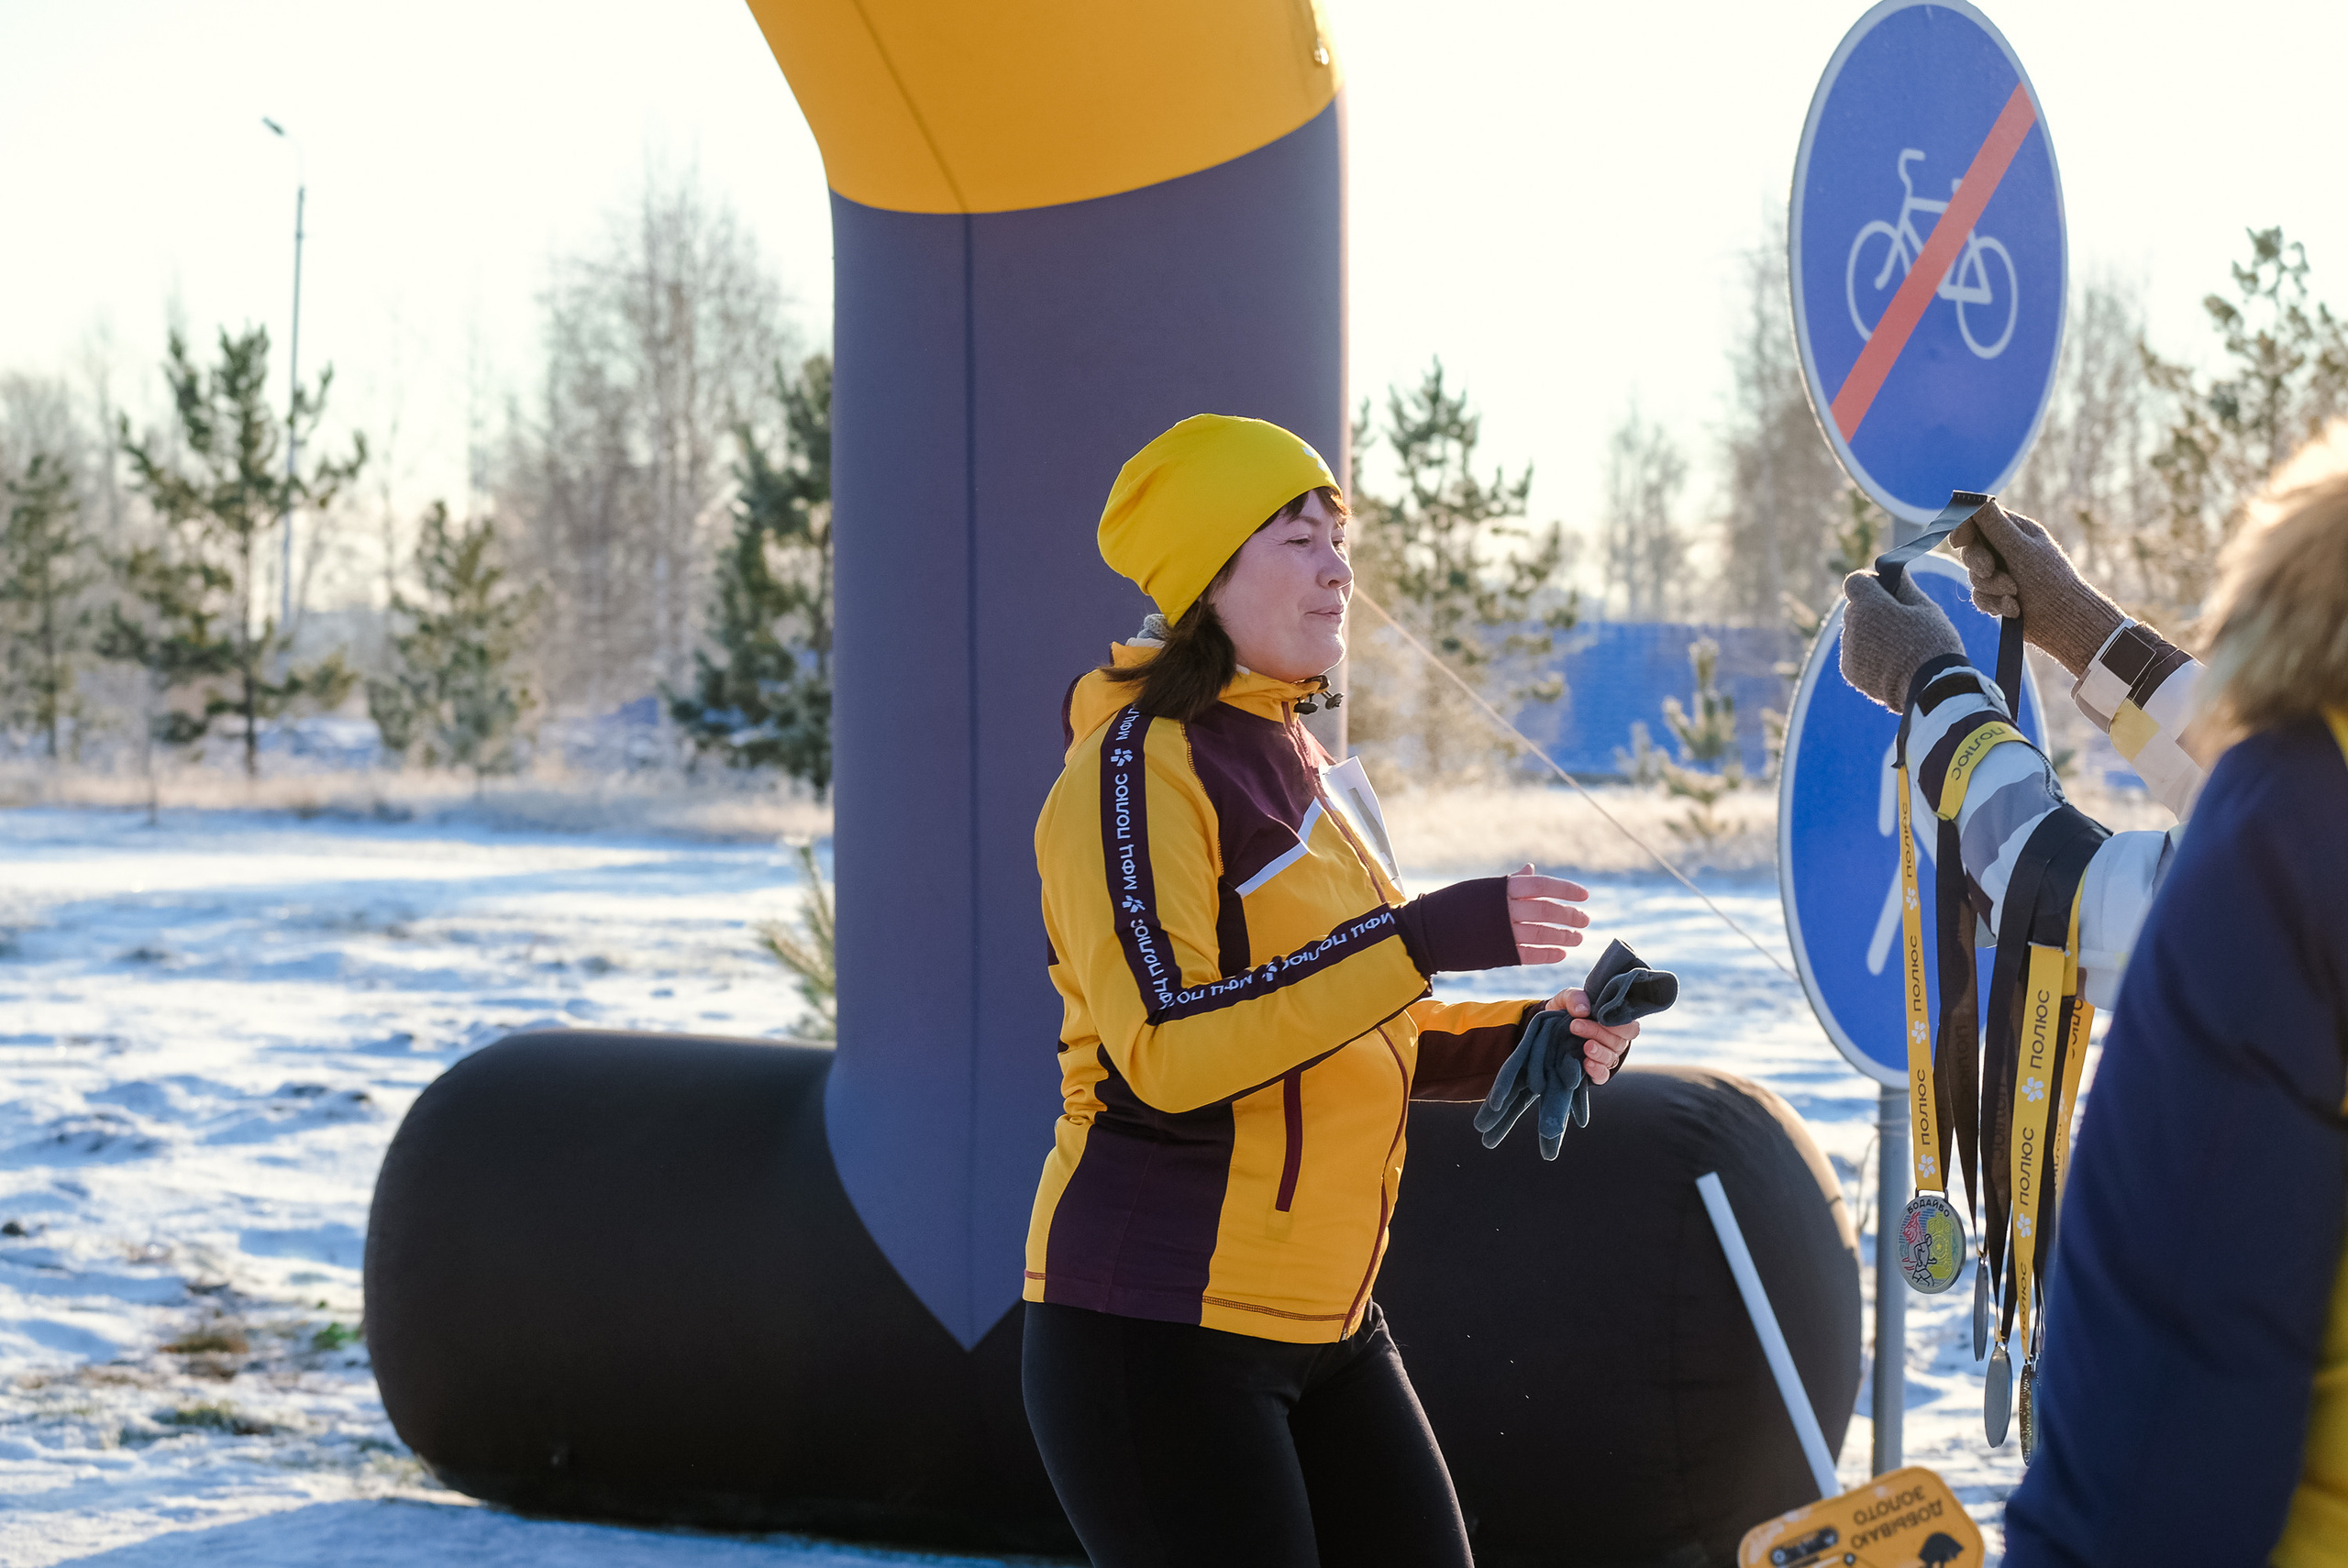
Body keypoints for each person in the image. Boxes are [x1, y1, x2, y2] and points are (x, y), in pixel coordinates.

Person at [1019, 414, 1641, 1568]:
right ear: (1210, 575)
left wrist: (1521, 1040)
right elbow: (1166, 1048)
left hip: (1328, 1323)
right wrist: (1421, 937)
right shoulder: (1137, 765)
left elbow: (1344, 1019)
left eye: (1338, 535)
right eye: (1298, 537)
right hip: (1154, 1322)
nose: (1339, 566)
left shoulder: (1295, 755)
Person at [1836, 435, 2348, 1563]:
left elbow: (2061, 894)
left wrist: (1933, 690)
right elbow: (2261, 767)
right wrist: (2075, 627)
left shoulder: (2298, 842)